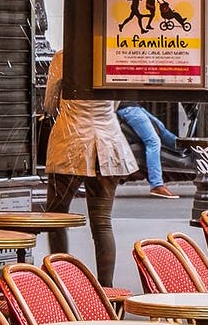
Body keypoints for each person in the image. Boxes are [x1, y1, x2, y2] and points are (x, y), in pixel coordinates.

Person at [41, 49, 137, 284]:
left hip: (70, 142)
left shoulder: (64, 57)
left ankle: (59, 280)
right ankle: (106, 288)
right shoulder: (114, 54)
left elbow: (50, 103)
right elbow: (115, 102)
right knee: (102, 222)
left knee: (56, 217)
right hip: (107, 141)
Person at [117, 102, 178, 197]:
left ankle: (185, 149)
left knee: (162, 130)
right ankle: (156, 185)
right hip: (128, 108)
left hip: (133, 106)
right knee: (153, 142)